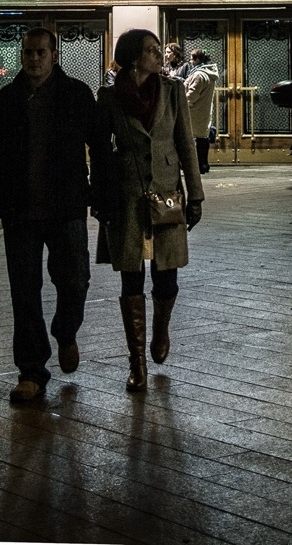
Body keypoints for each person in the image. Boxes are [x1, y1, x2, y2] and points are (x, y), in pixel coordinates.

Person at [0, 28, 105, 404]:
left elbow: (101, 147)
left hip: (66, 209)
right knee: (24, 293)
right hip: (19, 212)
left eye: (41, 52)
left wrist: (101, 195)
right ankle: (31, 371)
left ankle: (66, 329)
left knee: (75, 281)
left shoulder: (76, 95)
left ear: (54, 54)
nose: (34, 59)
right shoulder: (7, 100)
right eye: (28, 52)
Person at [95, 28, 204, 393]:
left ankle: (161, 329)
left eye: (159, 50)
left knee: (166, 276)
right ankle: (136, 361)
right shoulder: (109, 97)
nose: (159, 56)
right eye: (151, 50)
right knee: (130, 278)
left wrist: (197, 194)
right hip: (126, 196)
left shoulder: (173, 91)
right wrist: (100, 196)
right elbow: (98, 151)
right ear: (132, 56)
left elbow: (185, 144)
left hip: (167, 193)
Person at [184, 49, 219, 174]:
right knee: (202, 138)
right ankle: (203, 164)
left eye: (192, 58)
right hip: (203, 110)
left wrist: (183, 103)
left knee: (196, 139)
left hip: (194, 111)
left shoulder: (199, 75)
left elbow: (192, 94)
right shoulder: (209, 74)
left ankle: (199, 165)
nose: (190, 61)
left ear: (197, 59)